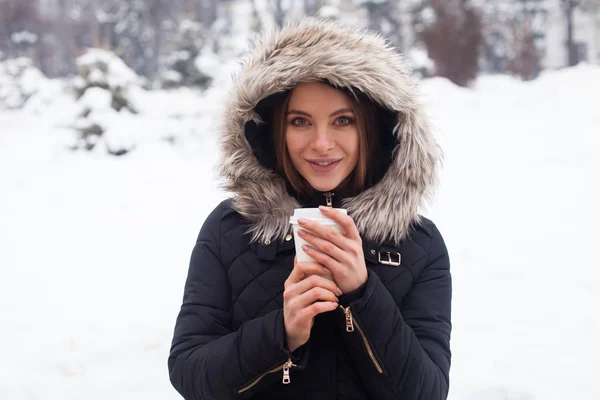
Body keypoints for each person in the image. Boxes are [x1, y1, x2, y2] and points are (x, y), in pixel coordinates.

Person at [168, 19, 452, 400]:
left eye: (343, 121)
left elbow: (427, 392)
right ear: (273, 130)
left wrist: (363, 292)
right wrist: (281, 333)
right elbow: (189, 373)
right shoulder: (231, 228)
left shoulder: (418, 243)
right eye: (300, 121)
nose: (321, 143)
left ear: (374, 127)